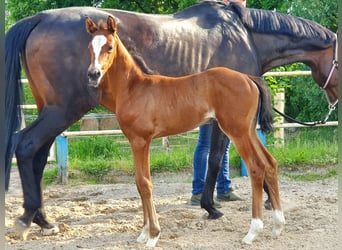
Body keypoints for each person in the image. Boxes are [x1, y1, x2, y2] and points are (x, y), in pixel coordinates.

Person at [190, 0, 247, 206]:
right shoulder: (209, 30)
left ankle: (223, 188)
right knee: (206, 143)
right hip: (209, 95)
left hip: (222, 96)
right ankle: (198, 191)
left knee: (225, 142)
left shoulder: (226, 37)